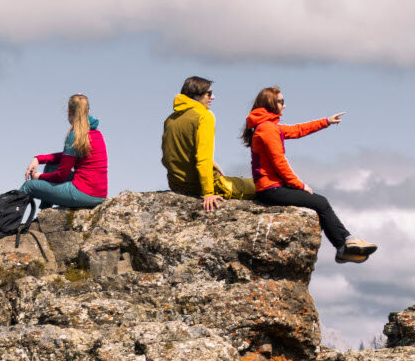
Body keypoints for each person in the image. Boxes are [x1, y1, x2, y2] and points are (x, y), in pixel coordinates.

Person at [242, 86, 376, 263]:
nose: (284, 105)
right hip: (270, 189)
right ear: (271, 103)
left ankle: (344, 245)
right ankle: (345, 244)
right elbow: (279, 162)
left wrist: (326, 121)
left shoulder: (268, 126)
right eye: (281, 101)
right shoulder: (267, 129)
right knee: (320, 202)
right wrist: (300, 185)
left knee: (319, 202)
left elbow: (298, 130)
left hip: (272, 187)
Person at [161, 76, 255, 213]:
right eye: (209, 93)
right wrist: (208, 193)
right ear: (196, 95)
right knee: (263, 185)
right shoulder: (205, 116)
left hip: (177, 185)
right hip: (202, 185)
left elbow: (170, 154)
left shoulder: (170, 119)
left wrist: (212, 162)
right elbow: (202, 159)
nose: (213, 97)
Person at [20, 93, 108, 210]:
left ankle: (6, 226)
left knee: (28, 186)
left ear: (69, 112)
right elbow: (67, 158)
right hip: (99, 194)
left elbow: (61, 176)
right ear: (88, 111)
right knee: (51, 167)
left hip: (83, 193)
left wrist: (38, 176)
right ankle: (45, 215)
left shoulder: (75, 135)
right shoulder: (96, 134)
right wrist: (39, 159)